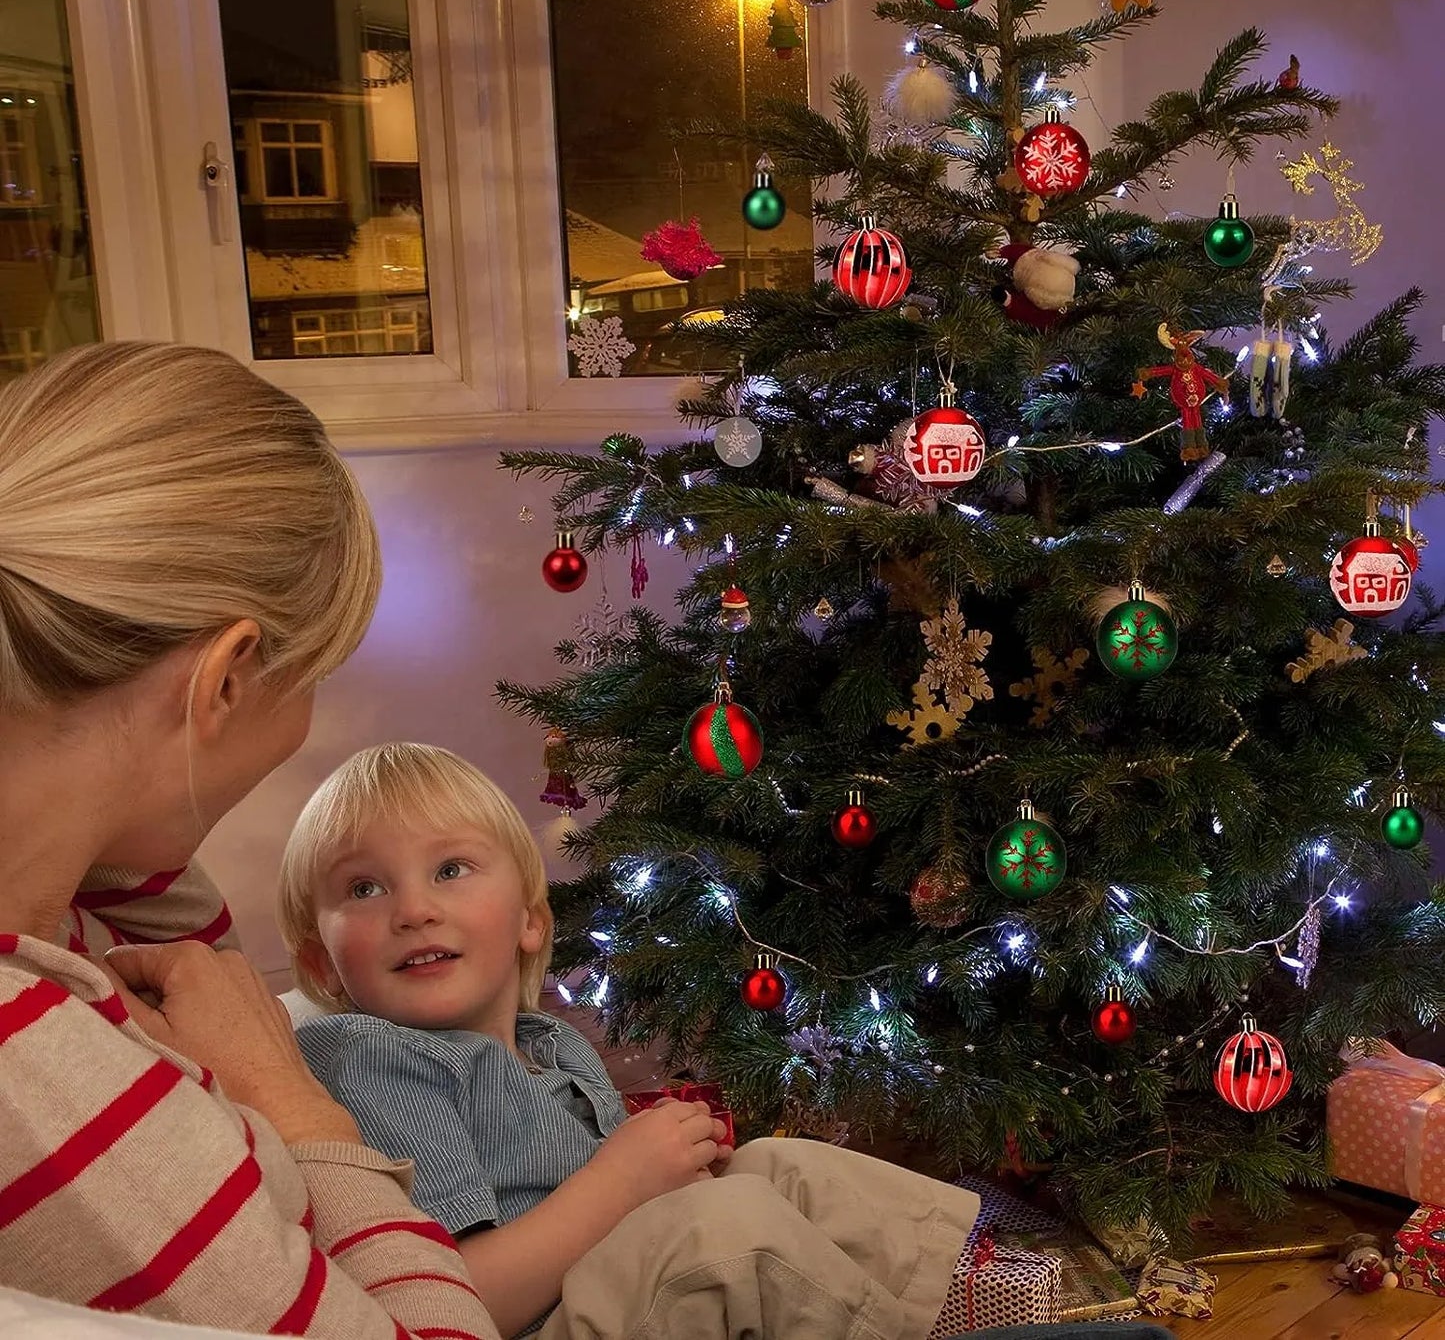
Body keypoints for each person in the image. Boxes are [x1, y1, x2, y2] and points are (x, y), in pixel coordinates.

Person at [0, 342, 500, 1340]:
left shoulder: (68, 894)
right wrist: (299, 1108)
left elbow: (182, 935)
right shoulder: (48, 1094)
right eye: (314, 672)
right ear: (226, 677)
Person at [279, 742, 987, 1340]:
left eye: (449, 869)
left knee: (776, 1165)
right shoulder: (371, 1056)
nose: (414, 908)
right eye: (365, 887)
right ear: (320, 964)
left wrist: (675, 1170)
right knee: (727, 1232)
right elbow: (460, 1299)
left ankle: (971, 1301)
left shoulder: (553, 1042)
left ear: (529, 919)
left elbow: (642, 1210)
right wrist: (624, 1180)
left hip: (608, 1292)